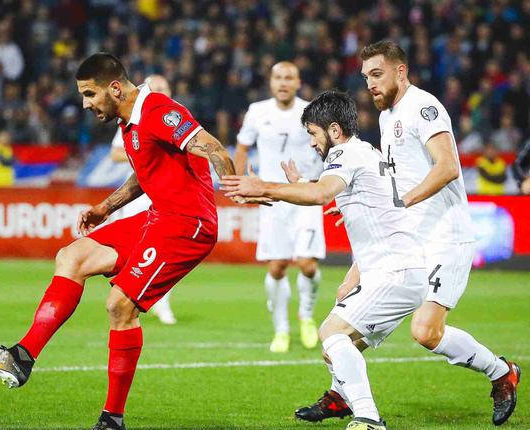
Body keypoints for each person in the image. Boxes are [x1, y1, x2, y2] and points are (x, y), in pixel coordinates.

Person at [0, 52, 248, 430]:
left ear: (114, 88)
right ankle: (21, 357)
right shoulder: (129, 123)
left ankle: (112, 419)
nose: (85, 104)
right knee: (73, 256)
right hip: (157, 217)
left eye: (89, 94)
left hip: (188, 225)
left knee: (119, 305)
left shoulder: (157, 110)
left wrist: (235, 187)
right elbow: (144, 174)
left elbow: (213, 147)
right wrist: (105, 207)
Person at [296, 40, 521, 427]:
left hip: (445, 236)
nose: (370, 83)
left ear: (401, 71)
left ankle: (501, 372)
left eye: (377, 74)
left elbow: (447, 166)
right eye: (366, 76)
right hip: (407, 242)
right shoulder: (387, 118)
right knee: (344, 327)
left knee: (425, 331)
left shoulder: (423, 107)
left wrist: (403, 202)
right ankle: (342, 395)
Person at [222, 89, 427, 430]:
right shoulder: (363, 151)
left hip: (395, 270)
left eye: (313, 134)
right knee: (336, 348)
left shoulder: (345, 153)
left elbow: (320, 194)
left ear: (334, 130)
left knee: (332, 332)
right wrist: (301, 183)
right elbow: (330, 188)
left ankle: (368, 418)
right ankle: (339, 398)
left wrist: (264, 187)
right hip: (391, 270)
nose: (312, 143)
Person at [234, 61, 325, 353]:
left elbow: (327, 148)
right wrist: (237, 184)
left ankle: (306, 316)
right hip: (272, 198)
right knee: (277, 266)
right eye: (278, 77)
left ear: (298, 82)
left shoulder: (312, 111)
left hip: (306, 194)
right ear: (271, 82)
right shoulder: (257, 111)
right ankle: (281, 330)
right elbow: (242, 147)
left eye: (289, 77)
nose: (283, 82)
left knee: (308, 264)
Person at [108, 74, 176, 325]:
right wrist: (145, 153)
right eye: (155, 88)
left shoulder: (175, 118)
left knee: (167, 251)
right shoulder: (133, 117)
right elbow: (115, 153)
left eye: (164, 88)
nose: (160, 91)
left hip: (167, 194)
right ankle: (131, 300)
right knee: (137, 250)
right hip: (139, 195)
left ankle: (162, 304)